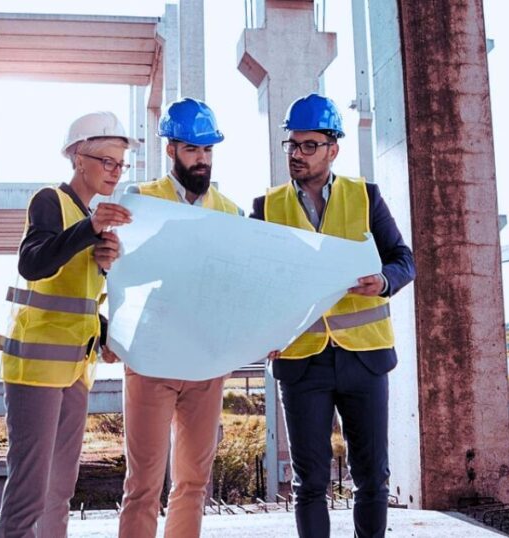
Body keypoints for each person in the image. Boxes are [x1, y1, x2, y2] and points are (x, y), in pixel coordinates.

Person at [250, 93, 416, 537]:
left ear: (333, 149)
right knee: (309, 484)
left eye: (309, 145)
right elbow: (251, 282)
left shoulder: (365, 197)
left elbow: (403, 259)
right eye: (292, 144)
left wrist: (383, 281)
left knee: (372, 478)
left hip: (365, 359)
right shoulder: (266, 207)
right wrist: (258, 333)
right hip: (301, 362)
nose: (297, 154)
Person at [0, 111, 137, 538]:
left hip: (75, 369)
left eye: (121, 164)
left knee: (59, 490)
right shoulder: (49, 201)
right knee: (29, 490)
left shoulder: (92, 218)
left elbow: (80, 303)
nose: (115, 171)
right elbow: (32, 263)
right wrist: (89, 229)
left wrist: (107, 328)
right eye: (106, 161)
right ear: (78, 158)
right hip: (35, 368)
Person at [112, 97, 241, 538]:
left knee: (192, 484)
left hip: (205, 362)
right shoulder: (141, 201)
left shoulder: (230, 212)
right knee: (143, 485)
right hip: (152, 359)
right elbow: (117, 273)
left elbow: (238, 287)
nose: (201, 158)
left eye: (207, 149)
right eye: (191, 149)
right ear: (171, 150)